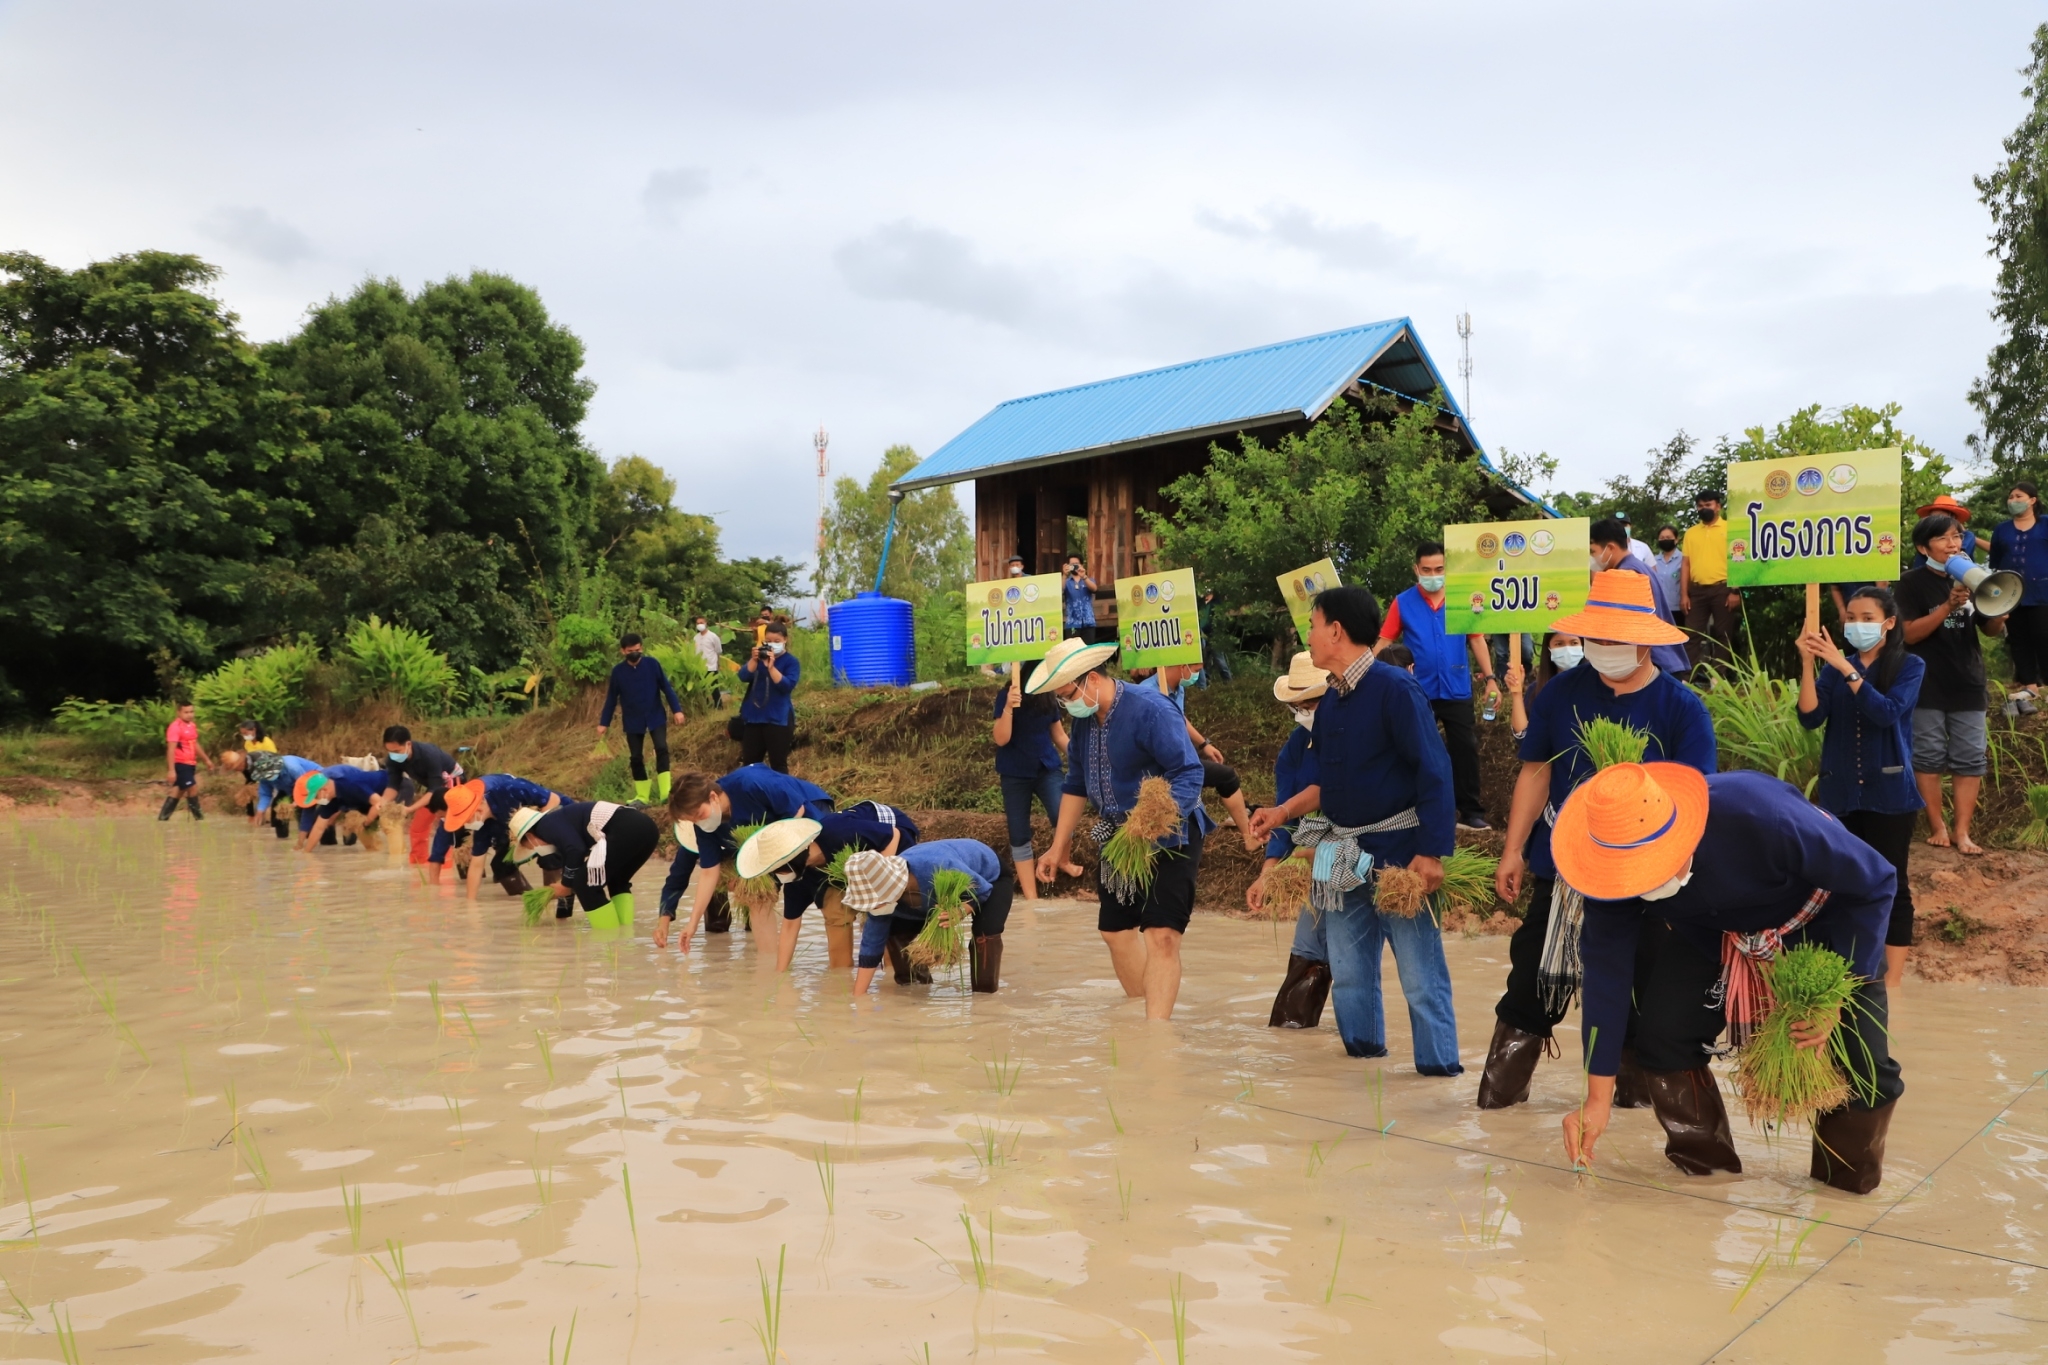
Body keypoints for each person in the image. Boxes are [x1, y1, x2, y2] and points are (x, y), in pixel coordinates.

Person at [1554, 764, 1903, 1194]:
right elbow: (1606, 972)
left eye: (1652, 868)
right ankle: (1708, 1180)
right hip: (1716, 933)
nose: (1640, 882)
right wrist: (1596, 1098)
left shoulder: (1762, 814)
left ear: (1683, 834)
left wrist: (1833, 996)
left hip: (1827, 923)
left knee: (1866, 1067)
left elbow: (1874, 881)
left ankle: (1843, 1194)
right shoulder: (1611, 876)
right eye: (1631, 876)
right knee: (1664, 1037)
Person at [1479, 570, 1713, 1108]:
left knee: (1639, 992)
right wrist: (1513, 849)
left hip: (1649, 875)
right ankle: (1498, 1105)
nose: (1601, 649)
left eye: (1613, 639)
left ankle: (1625, 1104)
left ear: (1645, 640)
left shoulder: (1682, 709)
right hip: (1564, 861)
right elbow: (1536, 772)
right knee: (1530, 984)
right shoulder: (1561, 692)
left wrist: (1673, 869)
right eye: (1594, 638)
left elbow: (1696, 802)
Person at [1249, 587, 1462, 1075]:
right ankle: (1363, 1070)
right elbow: (1325, 781)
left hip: (1398, 856)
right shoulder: (1331, 703)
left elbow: (1435, 772)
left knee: (1419, 976)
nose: (1309, 634)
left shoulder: (1396, 690)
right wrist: (1281, 813)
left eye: (1313, 624)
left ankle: (1437, 1077)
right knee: (1346, 974)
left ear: (1336, 632)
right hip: (1337, 851)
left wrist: (1430, 853)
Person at [1031, 637, 1212, 1021]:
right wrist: (1057, 846)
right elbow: (1076, 784)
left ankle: (1156, 1033)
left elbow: (1189, 771)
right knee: (1115, 931)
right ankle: (1141, 1013)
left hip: (1170, 833)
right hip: (1117, 835)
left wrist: (1151, 821)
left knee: (1161, 935)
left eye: (1068, 695)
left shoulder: (1150, 710)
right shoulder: (1083, 723)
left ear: (1092, 679)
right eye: (1060, 699)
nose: (1066, 705)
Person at [1797, 586, 1925, 987]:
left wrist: (1844, 667)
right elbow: (1810, 717)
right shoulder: (1833, 667)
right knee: (1839, 884)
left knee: (1891, 883)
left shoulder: (1909, 665)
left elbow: (1886, 713)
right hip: (1841, 794)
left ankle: (1892, 986)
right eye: (1851, 617)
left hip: (1889, 796)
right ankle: (1846, 976)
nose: (1856, 624)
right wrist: (1808, 664)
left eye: (1867, 618)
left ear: (1888, 623)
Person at [1898, 512, 2005, 856]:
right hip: (1926, 681)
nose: (1953, 544)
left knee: (1970, 758)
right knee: (1928, 756)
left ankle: (1962, 832)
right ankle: (1937, 826)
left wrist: (2000, 610)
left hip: (1967, 680)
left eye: (1957, 537)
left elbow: (1990, 631)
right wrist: (1947, 605)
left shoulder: (1976, 578)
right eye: (1943, 539)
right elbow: (1909, 634)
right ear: (1922, 547)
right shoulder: (1910, 583)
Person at [1375, 542, 1496, 830]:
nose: (1433, 575)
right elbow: (1385, 641)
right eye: (1426, 569)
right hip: (1418, 690)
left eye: (1439, 569)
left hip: (1456, 687)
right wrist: (1362, 670)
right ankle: (1414, 809)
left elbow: (1477, 638)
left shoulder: (1462, 598)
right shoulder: (1402, 602)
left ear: (1447, 569)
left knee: (1465, 748)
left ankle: (1470, 812)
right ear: (1416, 569)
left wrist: (1491, 678)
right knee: (1417, 748)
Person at [657, 765, 834, 951]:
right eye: (693, 820)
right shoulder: (705, 827)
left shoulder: (751, 783)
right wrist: (692, 924)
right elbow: (709, 873)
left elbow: (800, 813)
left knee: (823, 881)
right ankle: (767, 966)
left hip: (807, 811)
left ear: (713, 797)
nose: (699, 822)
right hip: (765, 842)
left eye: (700, 815)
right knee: (756, 894)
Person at [738, 803, 921, 970]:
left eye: (778, 869)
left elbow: (893, 834)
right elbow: (789, 926)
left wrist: (881, 882)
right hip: (843, 865)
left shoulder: (839, 832)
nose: (777, 876)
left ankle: (893, 972)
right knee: (835, 912)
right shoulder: (800, 878)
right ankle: (840, 974)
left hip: (891, 840)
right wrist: (780, 974)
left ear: (794, 859)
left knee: (890, 917)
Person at [1250, 652, 1330, 1028]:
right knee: (1308, 951)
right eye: (1297, 706)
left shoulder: (1357, 739)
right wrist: (1269, 872)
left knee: (1346, 961)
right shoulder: (1296, 749)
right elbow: (1283, 818)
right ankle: (1293, 1045)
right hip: (1313, 864)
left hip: (1356, 855)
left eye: (1309, 704)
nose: (1303, 713)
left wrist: (1318, 848)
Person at [846, 841, 1015, 996]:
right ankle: (915, 991)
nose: (875, 907)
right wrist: (858, 998)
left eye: (877, 901)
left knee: (985, 933)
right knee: (896, 931)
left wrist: (960, 912)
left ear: (893, 887)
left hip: (990, 878)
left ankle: (984, 998)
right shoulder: (881, 905)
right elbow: (871, 946)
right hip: (933, 892)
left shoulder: (938, 867)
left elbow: (983, 890)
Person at [1137, 662, 1260, 852]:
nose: (1197, 675)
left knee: (1226, 777)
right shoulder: (1145, 693)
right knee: (1224, 777)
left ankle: (1248, 837)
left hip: (1180, 759)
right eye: (1195, 670)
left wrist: (1204, 744)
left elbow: (1180, 718)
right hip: (1158, 766)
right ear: (1181, 666)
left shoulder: (1176, 689)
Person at [992, 659, 1080, 900]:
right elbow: (1001, 739)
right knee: (1019, 831)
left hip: (1046, 767)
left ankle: (1063, 859)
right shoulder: (1006, 695)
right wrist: (1009, 707)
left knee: (1061, 814)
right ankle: (1031, 897)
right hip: (1014, 773)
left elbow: (1059, 735)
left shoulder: (1048, 697)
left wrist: (1081, 758)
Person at [508, 801, 661, 923]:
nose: (534, 850)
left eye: (529, 847)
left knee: (584, 884)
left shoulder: (546, 826)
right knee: (616, 880)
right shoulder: (559, 826)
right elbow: (572, 870)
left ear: (529, 836)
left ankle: (609, 938)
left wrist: (565, 885)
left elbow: (576, 851)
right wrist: (563, 915)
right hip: (647, 829)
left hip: (628, 830)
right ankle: (624, 935)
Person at [1590, 517, 1688, 675]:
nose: (1592, 558)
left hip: (1651, 664)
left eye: (1593, 551)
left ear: (1609, 548)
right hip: (1664, 657)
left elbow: (1624, 629)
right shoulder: (1642, 567)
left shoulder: (1625, 575)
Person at [441, 774, 566, 898]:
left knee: (549, 854)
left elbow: (554, 800)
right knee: (501, 866)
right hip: (521, 837)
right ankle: (530, 899)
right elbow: (476, 865)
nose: (466, 825)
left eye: (465, 820)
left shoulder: (511, 790)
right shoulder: (483, 828)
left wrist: (535, 830)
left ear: (477, 811)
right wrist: (470, 903)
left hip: (558, 819)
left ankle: (555, 899)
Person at [598, 634, 685, 805]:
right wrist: (604, 722)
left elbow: (666, 688)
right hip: (632, 719)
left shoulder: (652, 665)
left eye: (637, 650)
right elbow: (611, 699)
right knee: (636, 756)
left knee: (661, 748)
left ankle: (665, 793)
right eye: (630, 651)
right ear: (623, 651)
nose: (635, 654)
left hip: (655, 715)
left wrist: (677, 710)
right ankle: (642, 796)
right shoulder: (618, 672)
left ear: (641, 648)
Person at [1990, 480, 2048, 715]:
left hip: (2042, 593)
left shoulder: (2045, 525)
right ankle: (2030, 685)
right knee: (2018, 638)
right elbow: (1995, 561)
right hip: (2011, 593)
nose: (2012, 500)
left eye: (2018, 496)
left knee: (2043, 635)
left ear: (2032, 500)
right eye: (2011, 496)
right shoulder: (2001, 530)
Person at [380, 726, 465, 878]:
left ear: (408, 744)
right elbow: (393, 786)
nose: (393, 755)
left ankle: (445, 869)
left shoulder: (428, 755)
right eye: (390, 751)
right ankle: (418, 868)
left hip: (454, 784)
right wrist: (383, 802)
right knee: (417, 828)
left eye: (397, 751)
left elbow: (434, 790)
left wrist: (409, 809)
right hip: (434, 789)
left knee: (448, 827)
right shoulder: (393, 760)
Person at [1680, 489, 1740, 673]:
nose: (1703, 508)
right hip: (1696, 591)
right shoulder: (1691, 533)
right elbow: (1686, 565)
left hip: (1723, 589)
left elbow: (1738, 560)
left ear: (1718, 507)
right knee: (1691, 634)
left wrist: (1735, 591)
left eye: (1708, 505)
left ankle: (1718, 680)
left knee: (1723, 634)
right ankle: (1688, 678)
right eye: (1700, 506)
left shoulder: (1731, 529)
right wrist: (1684, 594)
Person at [736, 621, 800, 773]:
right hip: (754, 718)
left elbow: (787, 686)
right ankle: (753, 794)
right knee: (750, 764)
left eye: (777, 641)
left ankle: (780, 795)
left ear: (785, 640)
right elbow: (743, 676)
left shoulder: (791, 662)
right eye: (769, 641)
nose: (772, 644)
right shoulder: (759, 659)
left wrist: (771, 667)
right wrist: (754, 659)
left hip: (778, 718)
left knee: (778, 764)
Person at [1504, 633, 1582, 742]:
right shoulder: (1537, 690)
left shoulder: (1596, 687)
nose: (1567, 649)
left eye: (1574, 643)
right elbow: (1524, 738)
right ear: (1549, 649)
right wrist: (1516, 692)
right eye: (1559, 644)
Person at [294, 765, 392, 850]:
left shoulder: (349, 784)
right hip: (370, 802)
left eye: (316, 796)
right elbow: (318, 827)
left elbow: (380, 803)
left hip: (393, 787)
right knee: (361, 828)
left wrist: (367, 821)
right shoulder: (331, 800)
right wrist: (306, 852)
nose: (316, 800)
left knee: (391, 824)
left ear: (324, 790)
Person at [159, 702, 213, 821]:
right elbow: (171, 749)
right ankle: (199, 819)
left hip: (191, 763)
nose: (189, 715)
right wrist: (171, 770)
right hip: (180, 763)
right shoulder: (175, 727)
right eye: (186, 712)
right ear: (179, 713)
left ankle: (162, 819)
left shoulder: (192, 726)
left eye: (191, 712)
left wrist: (206, 760)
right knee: (192, 787)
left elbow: (195, 744)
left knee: (178, 790)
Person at [231, 720, 277, 823]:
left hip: (266, 771)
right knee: (248, 791)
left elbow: (273, 759)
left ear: (254, 730)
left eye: (246, 733)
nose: (244, 736)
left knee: (267, 794)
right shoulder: (248, 743)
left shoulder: (266, 742)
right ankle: (251, 816)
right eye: (242, 734)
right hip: (252, 771)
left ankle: (270, 817)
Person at [1197, 588, 1232, 683]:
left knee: (1219, 659)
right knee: (1204, 659)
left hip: (1214, 634)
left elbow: (1219, 620)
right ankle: (1207, 681)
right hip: (1201, 634)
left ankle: (1228, 681)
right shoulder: (1200, 603)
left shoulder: (1217, 603)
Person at [1062, 556, 1099, 645]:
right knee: (1073, 652)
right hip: (1072, 623)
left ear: (1081, 565)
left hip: (1088, 622)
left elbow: (1094, 589)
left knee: (1088, 652)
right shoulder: (1066, 582)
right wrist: (1064, 575)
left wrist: (1084, 576)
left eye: (1076, 564)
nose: (1074, 566)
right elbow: (1060, 590)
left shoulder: (1088, 580)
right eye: (1072, 564)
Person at [693, 615, 728, 709]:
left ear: (706, 623)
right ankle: (705, 706)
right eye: (697, 623)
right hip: (700, 667)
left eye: (701, 622)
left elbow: (718, 651)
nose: (699, 625)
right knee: (702, 689)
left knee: (714, 688)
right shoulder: (696, 638)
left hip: (711, 666)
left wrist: (718, 665)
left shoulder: (713, 636)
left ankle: (718, 706)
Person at [1648, 525, 1683, 607]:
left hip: (1678, 607)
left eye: (1668, 537)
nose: (1665, 540)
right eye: (1662, 538)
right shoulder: (1653, 561)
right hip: (1659, 607)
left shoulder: (1683, 559)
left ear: (1676, 539)